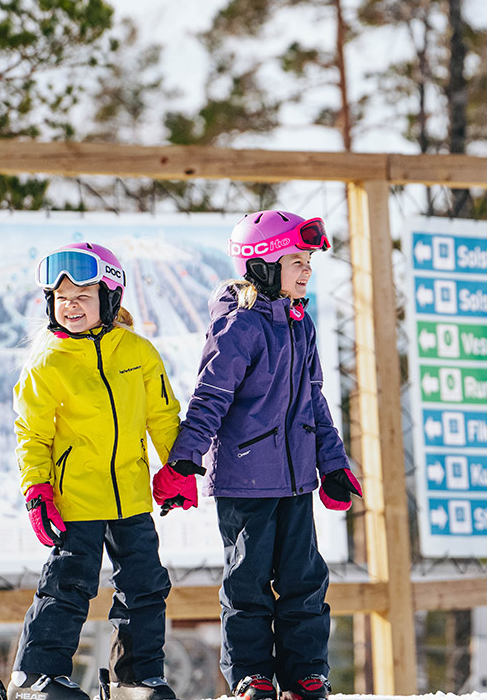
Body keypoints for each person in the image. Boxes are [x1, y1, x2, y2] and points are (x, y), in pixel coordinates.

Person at [153, 211, 361, 700]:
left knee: (305, 579)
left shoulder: (300, 323)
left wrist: (332, 464)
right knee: (247, 582)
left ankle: (306, 671)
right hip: (246, 480)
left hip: (295, 482)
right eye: (296, 261)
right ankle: (252, 673)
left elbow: (314, 400)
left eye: (309, 261)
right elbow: (210, 397)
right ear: (262, 265)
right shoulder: (238, 326)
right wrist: (185, 460)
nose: (306, 270)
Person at [10, 243, 182, 700]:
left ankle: (137, 678)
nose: (70, 307)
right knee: (67, 587)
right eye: (61, 299)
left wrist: (176, 467)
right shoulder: (47, 364)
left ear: (110, 298)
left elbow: (162, 415)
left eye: (82, 297)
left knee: (144, 588)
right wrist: (37, 490)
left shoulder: (139, 352)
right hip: (75, 500)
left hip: (131, 497)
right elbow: (32, 436)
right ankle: (36, 677)